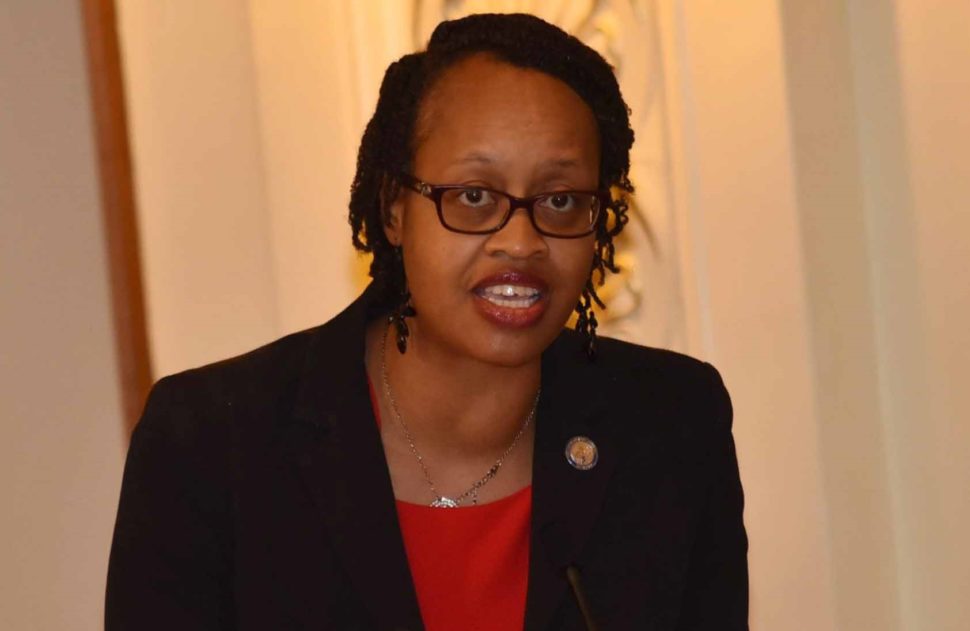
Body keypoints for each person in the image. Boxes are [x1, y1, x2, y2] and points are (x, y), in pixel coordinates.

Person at [106, 13, 747, 631]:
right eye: (473, 196)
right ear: (393, 209)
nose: (521, 241)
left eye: (559, 200)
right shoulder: (211, 444)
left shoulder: (671, 425)